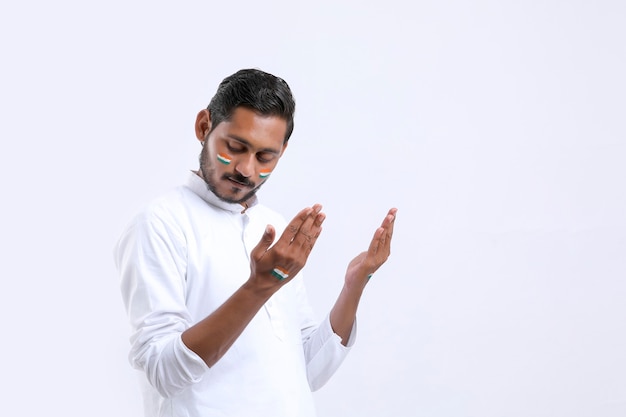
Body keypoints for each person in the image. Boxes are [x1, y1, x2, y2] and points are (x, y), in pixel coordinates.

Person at [114, 68, 397, 417]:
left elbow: (309, 369)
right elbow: (164, 372)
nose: (247, 170)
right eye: (235, 147)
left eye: (266, 157)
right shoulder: (160, 224)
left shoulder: (273, 226)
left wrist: (354, 286)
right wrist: (260, 286)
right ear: (204, 126)